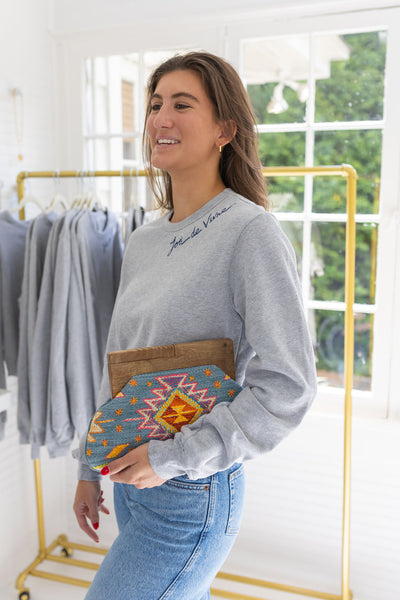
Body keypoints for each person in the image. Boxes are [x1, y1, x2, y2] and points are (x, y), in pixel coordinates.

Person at [73, 51, 317, 600]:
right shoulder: (144, 239)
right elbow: (122, 361)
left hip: (190, 490)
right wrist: (90, 465)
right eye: (155, 104)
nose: (160, 118)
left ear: (224, 129)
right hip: (132, 482)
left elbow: (289, 388)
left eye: (182, 105)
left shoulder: (249, 232)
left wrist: (171, 458)